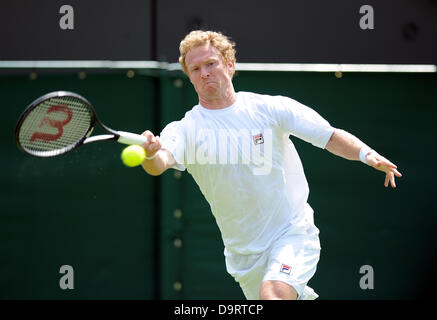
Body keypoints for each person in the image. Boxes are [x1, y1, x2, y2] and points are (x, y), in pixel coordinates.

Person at [140, 30, 402, 300]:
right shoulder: (185, 129)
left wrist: (366, 154)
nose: (204, 73)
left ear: (230, 65)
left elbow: (328, 136)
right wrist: (150, 154)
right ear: (189, 76)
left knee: (273, 295)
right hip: (243, 256)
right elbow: (160, 163)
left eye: (211, 63)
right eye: (195, 69)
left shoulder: (270, 109)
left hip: (291, 233)